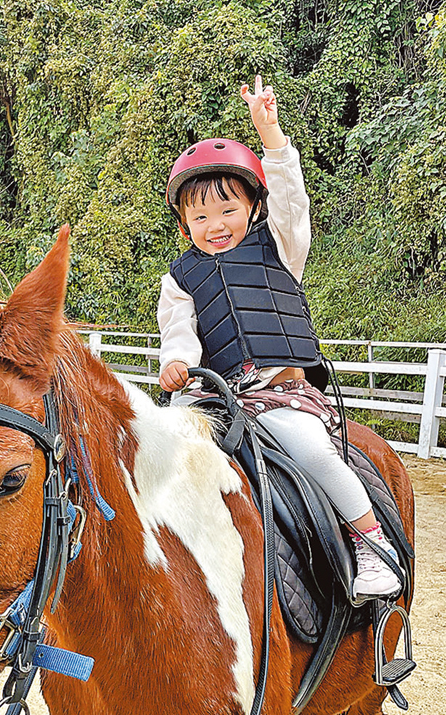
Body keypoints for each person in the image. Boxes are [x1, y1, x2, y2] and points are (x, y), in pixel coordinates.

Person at [157, 76, 400, 600]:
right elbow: (179, 334)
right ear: (184, 225)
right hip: (213, 398)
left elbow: (291, 200)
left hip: (277, 396)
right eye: (200, 216)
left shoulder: (280, 246)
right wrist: (174, 364)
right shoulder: (179, 278)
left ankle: (371, 544)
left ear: (253, 209)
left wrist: (271, 137)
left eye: (228, 210)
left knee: (312, 454)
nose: (215, 224)